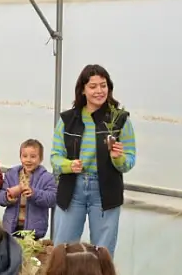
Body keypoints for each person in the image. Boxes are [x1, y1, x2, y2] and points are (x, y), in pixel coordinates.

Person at [50, 64, 136, 256]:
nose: (99, 91)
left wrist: (118, 157)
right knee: (63, 249)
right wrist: (69, 165)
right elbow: (55, 158)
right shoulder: (67, 119)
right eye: (93, 86)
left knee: (102, 252)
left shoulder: (120, 120)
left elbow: (129, 161)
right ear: (83, 89)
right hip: (73, 188)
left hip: (105, 190)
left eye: (103, 85)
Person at [0, 139, 57, 237]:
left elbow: (52, 198)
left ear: (40, 159)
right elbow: (0, 196)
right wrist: (8, 196)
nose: (28, 160)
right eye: (24, 156)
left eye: (33, 157)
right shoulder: (11, 174)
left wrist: (34, 193)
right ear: (20, 157)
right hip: (11, 227)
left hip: (34, 231)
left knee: (30, 251)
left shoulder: (47, 177)